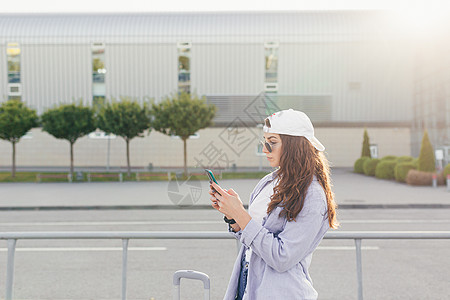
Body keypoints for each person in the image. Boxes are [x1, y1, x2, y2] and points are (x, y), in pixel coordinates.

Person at [209, 109, 339, 300]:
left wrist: (241, 214)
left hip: (281, 293)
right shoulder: (268, 182)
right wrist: (233, 216)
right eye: (265, 142)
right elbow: (254, 238)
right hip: (246, 285)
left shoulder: (313, 195)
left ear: (295, 145)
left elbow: (282, 257)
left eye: (273, 143)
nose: (264, 149)